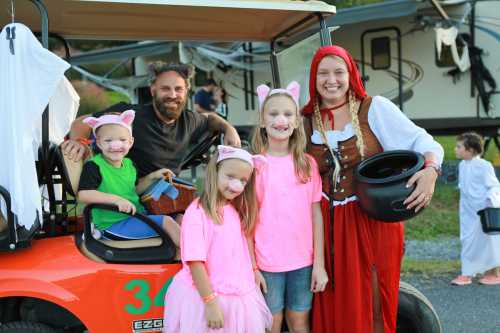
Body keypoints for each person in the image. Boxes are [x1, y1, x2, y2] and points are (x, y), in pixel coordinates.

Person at [301, 46, 444, 333]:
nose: (332, 80)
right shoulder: (305, 121)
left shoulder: (374, 108)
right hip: (325, 227)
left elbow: (424, 142)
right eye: (323, 73)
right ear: (313, 78)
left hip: (371, 222)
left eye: (339, 72)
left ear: (351, 74)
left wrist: (431, 170)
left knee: (375, 301)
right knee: (332, 303)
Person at [61, 62, 240, 179]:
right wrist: (80, 142)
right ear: (153, 89)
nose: (172, 95)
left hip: (169, 198)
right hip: (131, 199)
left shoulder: (190, 120)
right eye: (165, 89)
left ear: (187, 90)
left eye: (178, 89)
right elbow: (81, 122)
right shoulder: (129, 115)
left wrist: (228, 128)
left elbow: (210, 119)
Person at [163, 145, 272, 333]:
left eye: (243, 180)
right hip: (206, 295)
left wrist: (254, 269)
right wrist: (210, 302)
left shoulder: (234, 209)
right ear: (215, 172)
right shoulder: (197, 212)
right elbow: (195, 262)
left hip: (239, 295)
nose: (236, 184)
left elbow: (242, 245)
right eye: (230, 176)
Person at [250, 81, 328, 333]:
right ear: (262, 121)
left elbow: (316, 216)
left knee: (299, 322)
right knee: (271, 324)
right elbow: (247, 221)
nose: (280, 120)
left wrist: (319, 264)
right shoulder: (254, 166)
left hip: (303, 263)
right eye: (273, 114)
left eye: (287, 114)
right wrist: (252, 267)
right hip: (266, 264)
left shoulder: (307, 164)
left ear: (296, 122)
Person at [77, 110, 180, 244]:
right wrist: (117, 200)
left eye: (122, 140)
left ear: (130, 142)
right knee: (167, 222)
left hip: (136, 217)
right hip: (112, 225)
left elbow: (133, 190)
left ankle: (183, 255)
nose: (116, 145)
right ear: (99, 143)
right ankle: (192, 260)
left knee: (181, 218)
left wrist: (153, 176)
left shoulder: (129, 164)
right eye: (108, 140)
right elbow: (83, 195)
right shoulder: (94, 166)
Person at [451, 132, 500, 286]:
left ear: (471, 150)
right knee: (467, 240)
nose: (455, 149)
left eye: (459, 147)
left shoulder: (484, 166)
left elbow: (494, 185)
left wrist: (490, 201)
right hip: (467, 212)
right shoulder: (462, 165)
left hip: (483, 211)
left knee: (489, 241)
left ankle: (494, 273)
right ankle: (467, 273)